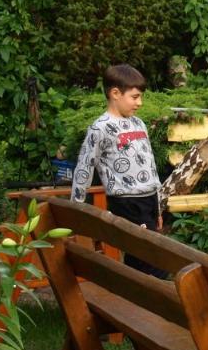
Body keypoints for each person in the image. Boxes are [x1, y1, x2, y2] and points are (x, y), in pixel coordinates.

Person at [71, 64, 166, 277]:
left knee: (143, 259)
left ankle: (135, 301)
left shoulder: (139, 124)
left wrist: (158, 207)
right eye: (135, 97)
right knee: (151, 261)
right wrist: (75, 209)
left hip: (149, 200)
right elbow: (84, 167)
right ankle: (150, 301)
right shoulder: (100, 128)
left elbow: (150, 166)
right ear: (115, 93)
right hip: (127, 202)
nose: (139, 103)